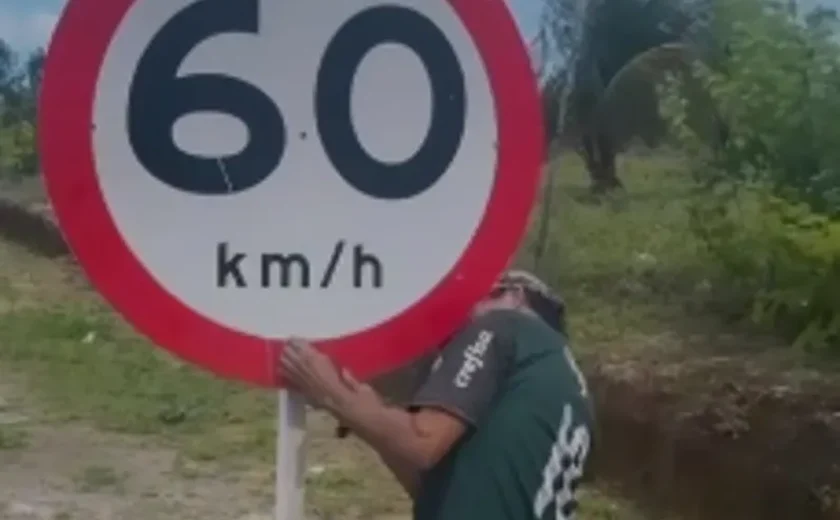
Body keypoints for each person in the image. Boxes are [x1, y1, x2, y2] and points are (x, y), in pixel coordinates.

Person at [280, 269, 595, 520]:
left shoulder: (505, 324)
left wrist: (332, 393)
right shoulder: (560, 381)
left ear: (513, 295)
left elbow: (421, 442)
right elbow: (433, 488)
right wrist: (363, 415)